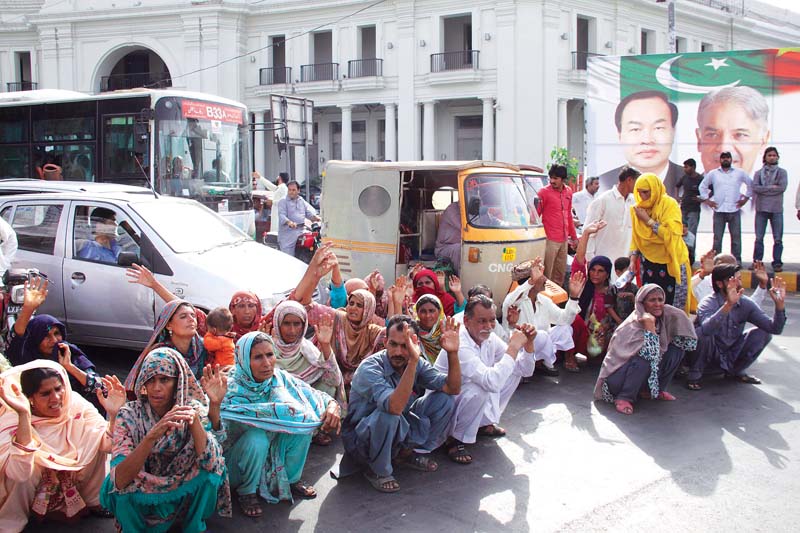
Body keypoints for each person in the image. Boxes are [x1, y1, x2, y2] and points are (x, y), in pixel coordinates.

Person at [100, 348, 231, 532]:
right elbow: (120, 479)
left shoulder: (191, 410)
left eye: (165, 379)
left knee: (213, 473)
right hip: (143, 492)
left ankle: (192, 526)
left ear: (177, 382)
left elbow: (211, 462)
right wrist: (152, 436)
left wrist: (198, 418)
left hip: (181, 490)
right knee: (118, 488)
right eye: (151, 380)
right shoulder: (130, 414)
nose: (156, 388)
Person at [220, 332, 340, 515]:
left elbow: (315, 396)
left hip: (270, 453)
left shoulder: (279, 379)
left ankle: (291, 479)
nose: (267, 363)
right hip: (237, 464)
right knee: (256, 437)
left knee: (301, 422)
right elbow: (214, 433)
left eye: (270, 355)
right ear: (244, 360)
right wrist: (214, 405)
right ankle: (247, 491)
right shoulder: (229, 388)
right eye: (258, 357)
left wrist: (332, 406)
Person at [337, 315, 461, 491]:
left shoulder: (415, 361)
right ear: (385, 342)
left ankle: (410, 453)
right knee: (389, 416)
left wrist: (453, 353)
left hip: (398, 424)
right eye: (393, 344)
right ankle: (377, 470)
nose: (398, 352)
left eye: (405, 346)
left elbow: (452, 388)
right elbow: (394, 407)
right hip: (363, 439)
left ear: (414, 344)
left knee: (445, 400)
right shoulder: (370, 368)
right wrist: (412, 361)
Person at [0, 361, 125, 531]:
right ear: (30, 399)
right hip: (30, 486)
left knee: (94, 442)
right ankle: (13, 522)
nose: (56, 398)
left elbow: (109, 445)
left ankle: (94, 501)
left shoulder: (75, 405)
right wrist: (23, 415)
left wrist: (113, 414)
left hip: (73, 479)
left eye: (58, 389)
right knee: (27, 463)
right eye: (45, 394)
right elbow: (18, 473)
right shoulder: (11, 418)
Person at [435, 295, 537, 464]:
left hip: (464, 394)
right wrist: (513, 347)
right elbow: (491, 382)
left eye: (491, 321)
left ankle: (483, 423)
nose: (489, 327)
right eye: (482, 321)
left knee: (511, 371)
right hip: (442, 403)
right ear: (467, 321)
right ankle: (455, 440)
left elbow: (524, 370)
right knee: (480, 388)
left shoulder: (488, 337)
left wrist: (528, 344)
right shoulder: (461, 342)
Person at [289, 246, 386, 387]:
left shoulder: (375, 332)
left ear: (368, 310)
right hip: (328, 379)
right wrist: (316, 275)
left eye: (360, 305)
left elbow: (392, 335)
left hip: (359, 383)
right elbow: (305, 305)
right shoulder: (337, 318)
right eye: (351, 303)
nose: (353, 308)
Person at [593, 284, 697, 415]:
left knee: (676, 350)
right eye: (652, 300)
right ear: (642, 303)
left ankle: (655, 390)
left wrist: (677, 314)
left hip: (639, 374)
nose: (658, 304)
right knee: (644, 359)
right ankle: (624, 397)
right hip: (617, 380)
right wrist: (649, 326)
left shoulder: (663, 316)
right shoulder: (632, 325)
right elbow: (651, 355)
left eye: (660, 299)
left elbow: (689, 341)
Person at [7, 276, 104, 406]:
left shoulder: (69, 353)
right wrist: (27, 309)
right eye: (46, 336)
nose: (54, 340)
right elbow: (17, 337)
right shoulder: (26, 357)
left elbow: (101, 388)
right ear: (35, 339)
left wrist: (69, 367)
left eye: (57, 334)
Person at [687, 264, 786, 390]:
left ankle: (736, 371)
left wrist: (779, 306)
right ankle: (695, 375)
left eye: (739, 279)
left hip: (731, 352)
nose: (738, 284)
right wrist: (728, 305)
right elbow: (707, 329)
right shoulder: (708, 302)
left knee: (763, 333)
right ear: (720, 284)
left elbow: (774, 328)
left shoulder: (746, 303)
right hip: (710, 353)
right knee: (701, 333)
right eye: (733, 280)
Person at [501, 257, 586, 377]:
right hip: (517, 348)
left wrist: (573, 297)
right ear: (531, 280)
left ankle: (541, 363)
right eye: (542, 276)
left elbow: (564, 319)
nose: (546, 279)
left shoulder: (544, 300)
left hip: (538, 343)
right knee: (541, 335)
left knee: (565, 329)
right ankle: (527, 366)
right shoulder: (514, 301)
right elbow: (510, 300)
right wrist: (530, 282)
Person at [598, 90, 683, 198]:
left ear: (673, 131)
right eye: (635, 129)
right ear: (620, 135)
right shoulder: (603, 184)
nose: (647, 139)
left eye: (658, 128)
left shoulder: (687, 180)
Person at [630, 173, 693, 313]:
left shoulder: (669, 205)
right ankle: (651, 333)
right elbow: (636, 237)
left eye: (646, 192)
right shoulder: (638, 208)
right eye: (639, 193)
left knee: (672, 308)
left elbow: (670, 234)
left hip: (671, 260)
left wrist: (648, 220)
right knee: (649, 306)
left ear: (655, 189)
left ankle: (672, 335)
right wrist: (633, 258)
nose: (643, 197)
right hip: (648, 264)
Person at [271, 300, 345, 409]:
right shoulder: (268, 351)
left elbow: (334, 380)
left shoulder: (308, 350)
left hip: (311, 409)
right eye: (286, 323)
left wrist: (325, 345)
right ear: (278, 324)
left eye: (297, 324)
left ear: (304, 325)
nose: (292, 330)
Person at [123, 299, 209, 393]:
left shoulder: (205, 347)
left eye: (193, 315)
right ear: (168, 325)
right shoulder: (159, 355)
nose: (191, 319)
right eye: (183, 316)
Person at [569, 221, 620, 371]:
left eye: (600, 271)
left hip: (602, 336)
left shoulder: (613, 291)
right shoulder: (583, 285)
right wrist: (586, 234)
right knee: (573, 319)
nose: (595, 274)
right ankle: (569, 357)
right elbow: (579, 260)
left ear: (607, 274)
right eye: (593, 270)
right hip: (582, 335)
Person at [695, 86, 770, 175]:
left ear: (763, 142)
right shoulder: (681, 188)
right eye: (712, 135)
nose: (724, 148)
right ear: (699, 140)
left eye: (740, 135)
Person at [698, 152, 752, 265]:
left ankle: (737, 261)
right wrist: (707, 201)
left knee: (736, 238)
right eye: (723, 158)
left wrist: (746, 199)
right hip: (719, 211)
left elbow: (750, 185)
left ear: (731, 159)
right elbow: (702, 186)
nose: (725, 160)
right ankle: (717, 261)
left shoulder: (739, 173)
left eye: (728, 158)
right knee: (717, 238)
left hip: (734, 210)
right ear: (720, 160)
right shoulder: (713, 174)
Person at [585, 166, 639, 267]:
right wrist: (590, 259)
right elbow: (589, 232)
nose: (639, 186)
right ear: (629, 180)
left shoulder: (634, 202)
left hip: (624, 264)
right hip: (602, 263)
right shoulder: (603, 200)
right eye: (637, 182)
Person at [536, 164, 578, 286]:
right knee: (547, 273)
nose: (552, 181)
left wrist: (574, 238)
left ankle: (557, 302)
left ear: (563, 179)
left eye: (556, 178)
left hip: (564, 240)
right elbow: (535, 216)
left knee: (560, 274)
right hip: (550, 239)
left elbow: (569, 216)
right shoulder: (543, 193)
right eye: (551, 178)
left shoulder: (568, 191)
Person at [751, 147, 787, 272]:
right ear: (765, 158)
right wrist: (772, 188)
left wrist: (765, 189)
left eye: (774, 155)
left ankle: (777, 263)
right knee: (759, 237)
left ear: (777, 157)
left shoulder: (782, 172)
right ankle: (757, 262)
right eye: (769, 155)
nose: (772, 157)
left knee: (778, 238)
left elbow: (782, 188)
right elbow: (755, 187)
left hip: (776, 209)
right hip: (761, 209)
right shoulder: (758, 173)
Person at [692, 250, 768, 305]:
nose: (732, 272)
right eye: (728, 268)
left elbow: (749, 308)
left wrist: (762, 285)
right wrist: (703, 274)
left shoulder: (735, 283)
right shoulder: (701, 281)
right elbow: (685, 288)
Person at [277, 180, 320, 256]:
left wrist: (316, 218)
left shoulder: (301, 200)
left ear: (298, 190)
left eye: (293, 190)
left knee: (314, 242)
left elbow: (308, 213)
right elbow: (281, 215)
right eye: (289, 190)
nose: (291, 192)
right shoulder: (283, 201)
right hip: (288, 233)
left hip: (301, 230)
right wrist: (289, 222)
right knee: (289, 258)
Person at [675, 158, 704, 265]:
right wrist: (678, 196)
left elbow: (710, 188)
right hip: (684, 208)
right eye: (684, 167)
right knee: (681, 232)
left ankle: (691, 257)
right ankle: (682, 255)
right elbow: (677, 186)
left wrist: (704, 198)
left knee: (691, 234)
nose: (685, 169)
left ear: (693, 167)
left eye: (687, 167)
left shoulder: (700, 178)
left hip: (694, 210)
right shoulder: (684, 178)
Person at [435, 201, 462, 273]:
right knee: (460, 249)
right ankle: (461, 279)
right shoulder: (452, 210)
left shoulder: (471, 211)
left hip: (461, 244)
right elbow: (465, 228)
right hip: (444, 248)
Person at [613, 257, 638, 322]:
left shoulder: (635, 288)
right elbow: (609, 307)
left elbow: (639, 307)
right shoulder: (613, 289)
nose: (632, 275)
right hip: (616, 323)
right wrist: (619, 321)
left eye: (633, 272)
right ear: (618, 272)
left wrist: (632, 297)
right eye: (628, 273)